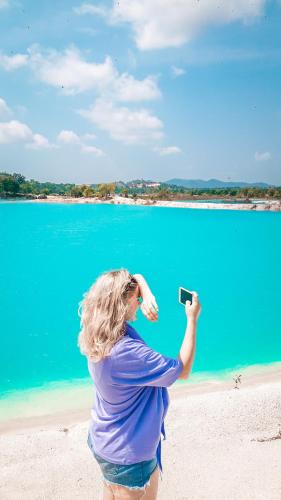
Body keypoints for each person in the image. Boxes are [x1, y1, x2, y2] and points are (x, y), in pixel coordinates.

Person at [78, 269, 201, 500]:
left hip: (103, 438)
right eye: (137, 299)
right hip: (129, 455)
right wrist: (192, 319)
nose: (140, 302)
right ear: (122, 303)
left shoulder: (97, 331)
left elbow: (133, 276)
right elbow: (182, 370)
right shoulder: (128, 352)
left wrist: (146, 292)